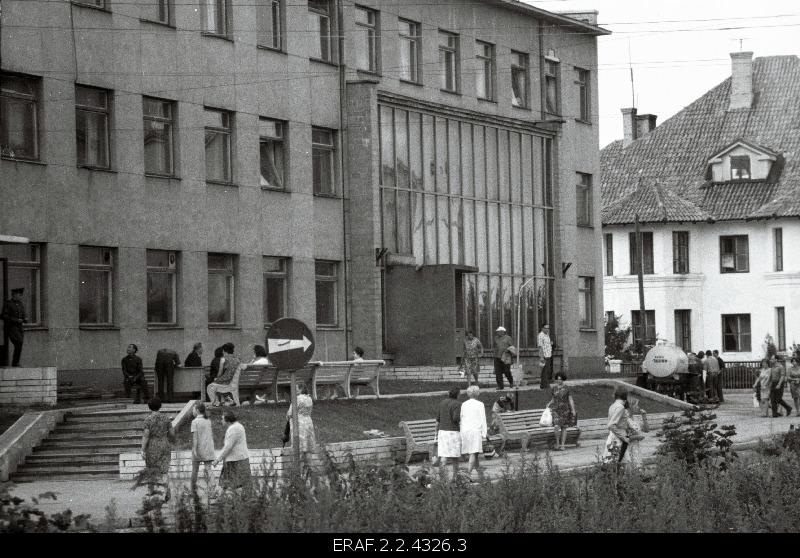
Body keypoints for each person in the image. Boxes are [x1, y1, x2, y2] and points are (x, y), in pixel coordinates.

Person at [137, 398, 175, 501]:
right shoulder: (166, 418)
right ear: (160, 406)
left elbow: (146, 435)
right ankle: (166, 492)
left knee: (151, 469)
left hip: (152, 446)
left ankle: (151, 491)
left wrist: (142, 449)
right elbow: (172, 433)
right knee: (164, 471)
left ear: (149, 407)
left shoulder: (148, 420)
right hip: (164, 444)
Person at [213, 410, 251, 492]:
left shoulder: (233, 429)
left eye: (222, 419)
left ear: (228, 420)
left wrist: (217, 459)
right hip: (240, 458)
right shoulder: (238, 426)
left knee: (232, 485)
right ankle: (226, 499)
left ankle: (228, 501)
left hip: (235, 461)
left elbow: (228, 447)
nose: (221, 420)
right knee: (239, 484)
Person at [460, 385, 488, 481]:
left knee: (474, 453)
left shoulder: (464, 404)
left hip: (465, 430)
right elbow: (483, 419)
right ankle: (467, 474)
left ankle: (480, 473)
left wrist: (461, 431)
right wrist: (484, 433)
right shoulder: (480, 404)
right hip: (475, 430)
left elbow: (462, 418)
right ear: (477, 393)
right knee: (473, 452)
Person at [436, 386, 462, 481]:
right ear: (458, 394)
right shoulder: (458, 404)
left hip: (442, 432)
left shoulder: (442, 403)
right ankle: (455, 477)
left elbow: (438, 419)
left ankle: (442, 477)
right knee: (455, 456)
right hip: (453, 432)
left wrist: (436, 433)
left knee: (444, 455)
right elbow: (456, 418)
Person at [546, 372, 577, 451]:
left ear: (563, 379)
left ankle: (563, 445)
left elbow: (570, 399)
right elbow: (553, 398)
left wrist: (573, 409)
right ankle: (557, 443)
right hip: (556, 410)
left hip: (565, 410)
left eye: (560, 379)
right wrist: (549, 403)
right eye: (557, 379)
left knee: (563, 427)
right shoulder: (554, 388)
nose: (558, 381)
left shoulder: (567, 388)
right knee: (556, 427)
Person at [190, 402, 215, 494]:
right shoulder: (208, 421)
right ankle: (212, 490)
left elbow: (195, 437)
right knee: (208, 469)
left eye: (193, 409)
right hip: (208, 448)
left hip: (199, 449)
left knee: (194, 470)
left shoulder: (194, 422)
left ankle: (193, 490)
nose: (192, 411)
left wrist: (194, 449)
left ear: (197, 410)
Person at [286, 383, 317, 454]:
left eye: (296, 388)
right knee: (307, 443)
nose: (295, 390)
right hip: (308, 421)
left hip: (299, 423)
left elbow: (290, 413)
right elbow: (310, 411)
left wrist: (288, 416)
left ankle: (299, 462)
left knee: (299, 445)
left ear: (300, 389)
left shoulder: (297, 398)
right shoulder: (309, 398)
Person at [603, 385, 630, 463]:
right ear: (625, 395)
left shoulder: (612, 406)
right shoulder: (620, 407)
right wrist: (624, 437)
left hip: (612, 436)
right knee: (619, 463)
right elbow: (611, 424)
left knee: (613, 461)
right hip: (619, 439)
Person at [1, 287, 26, 367]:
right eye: (19, 294)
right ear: (14, 295)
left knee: (20, 343)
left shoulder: (21, 304)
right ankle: (15, 363)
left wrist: (25, 319)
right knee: (18, 342)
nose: (20, 296)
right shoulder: (8, 303)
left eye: (21, 295)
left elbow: (23, 315)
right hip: (11, 327)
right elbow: (4, 315)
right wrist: (16, 320)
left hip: (19, 328)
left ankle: (15, 362)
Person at [538, 324, 553, 389]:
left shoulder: (547, 335)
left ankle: (543, 385)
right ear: (542, 328)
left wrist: (551, 343)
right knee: (545, 371)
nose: (547, 329)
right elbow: (540, 347)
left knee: (547, 371)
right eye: (546, 328)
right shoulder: (541, 335)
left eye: (548, 328)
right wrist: (541, 357)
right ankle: (545, 385)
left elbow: (547, 345)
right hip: (544, 356)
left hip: (549, 355)